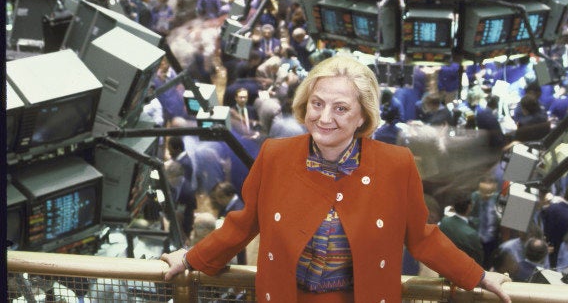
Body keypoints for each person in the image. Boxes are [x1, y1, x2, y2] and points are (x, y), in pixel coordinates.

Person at [161, 55, 511, 302]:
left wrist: (479, 276)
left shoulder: (396, 164)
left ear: (363, 117)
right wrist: (190, 259)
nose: (324, 117)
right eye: (317, 104)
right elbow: (242, 225)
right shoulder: (274, 155)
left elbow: (421, 238)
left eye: (341, 108)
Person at [439, 191, 485, 266]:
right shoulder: (471, 234)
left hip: (445, 265)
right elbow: (479, 259)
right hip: (465, 270)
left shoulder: (444, 221)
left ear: (453, 206)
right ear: (470, 207)